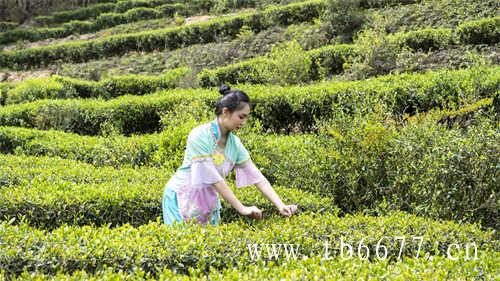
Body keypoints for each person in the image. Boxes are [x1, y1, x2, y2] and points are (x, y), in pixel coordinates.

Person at [162, 84, 298, 226]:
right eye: (241, 117)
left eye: (246, 118)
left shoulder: (235, 144)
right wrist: (242, 208)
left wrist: (280, 205)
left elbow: (257, 176)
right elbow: (214, 178)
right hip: (181, 198)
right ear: (226, 112)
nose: (243, 122)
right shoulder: (200, 135)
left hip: (207, 202)